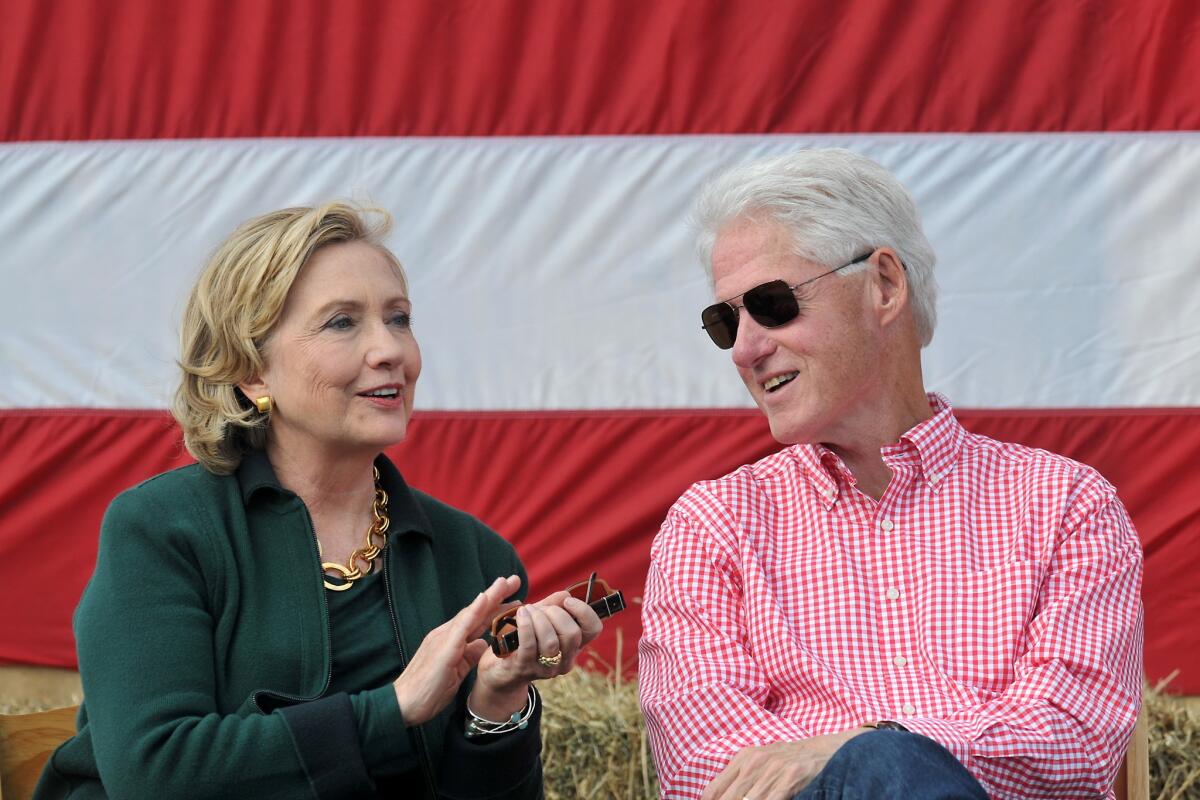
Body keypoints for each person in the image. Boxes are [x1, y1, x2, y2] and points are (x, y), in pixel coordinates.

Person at [36, 202, 604, 799]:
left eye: (400, 319)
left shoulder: (477, 557)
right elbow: (154, 772)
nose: (390, 351)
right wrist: (391, 710)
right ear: (251, 372)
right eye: (342, 323)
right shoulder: (161, 528)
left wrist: (498, 701)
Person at [637, 149, 1144, 799]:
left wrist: (874, 745)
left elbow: (1073, 741)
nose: (744, 347)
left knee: (888, 764)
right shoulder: (713, 525)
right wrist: (872, 760)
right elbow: (709, 771)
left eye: (771, 302)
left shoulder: (1066, 504)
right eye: (724, 320)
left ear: (883, 286)